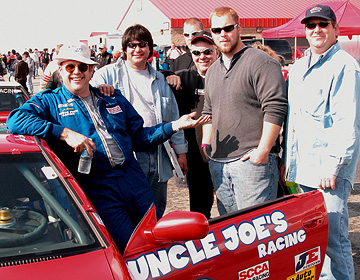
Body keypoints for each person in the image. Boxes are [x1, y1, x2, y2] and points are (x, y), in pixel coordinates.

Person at [7, 42, 209, 253]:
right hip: (98, 186)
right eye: (70, 67)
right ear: (60, 69)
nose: (77, 72)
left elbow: (140, 137)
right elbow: (15, 120)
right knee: (130, 249)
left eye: (83, 67)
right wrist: (65, 133)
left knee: (161, 242)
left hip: (135, 181)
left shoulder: (112, 96)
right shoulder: (50, 101)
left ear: (92, 70)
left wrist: (174, 125)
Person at [283, 5, 360, 279]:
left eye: (323, 24)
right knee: (313, 240)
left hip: (329, 174)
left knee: (334, 242)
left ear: (335, 29)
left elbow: (346, 122)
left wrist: (332, 167)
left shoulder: (345, 67)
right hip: (301, 170)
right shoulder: (299, 66)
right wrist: (287, 164)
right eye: (311, 25)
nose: (316, 30)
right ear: (304, 31)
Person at [91, 24, 188, 216]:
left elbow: (173, 117)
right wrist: (99, 90)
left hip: (159, 152)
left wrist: (182, 152)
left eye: (142, 44)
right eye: (132, 45)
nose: (137, 49)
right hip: (128, 154)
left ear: (150, 49)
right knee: (129, 211)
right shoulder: (106, 75)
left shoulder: (161, 79)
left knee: (156, 209)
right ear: (125, 49)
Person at [201, 6, 287, 215]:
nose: (222, 34)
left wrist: (263, 151)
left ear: (239, 28)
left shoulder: (261, 62)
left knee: (257, 232)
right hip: (219, 164)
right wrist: (206, 146)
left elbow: (275, 107)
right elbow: (208, 111)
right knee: (232, 233)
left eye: (228, 28)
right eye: (216, 30)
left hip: (251, 164)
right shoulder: (212, 70)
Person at [172, 31, 219, 218]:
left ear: (217, 52)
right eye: (196, 53)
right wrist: (168, 75)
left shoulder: (227, 76)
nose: (202, 57)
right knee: (200, 208)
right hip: (196, 154)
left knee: (231, 204)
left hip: (227, 150)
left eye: (207, 52)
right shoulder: (182, 78)